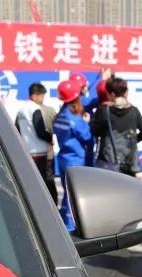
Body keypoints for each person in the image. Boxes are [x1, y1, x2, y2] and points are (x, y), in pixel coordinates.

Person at [53, 80, 93, 231]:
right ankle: (70, 228)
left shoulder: (60, 116)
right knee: (73, 196)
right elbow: (88, 137)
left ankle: (64, 222)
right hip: (75, 161)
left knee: (66, 194)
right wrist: (86, 122)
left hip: (63, 159)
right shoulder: (75, 120)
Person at [90, 78, 142, 176]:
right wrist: (131, 141)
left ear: (112, 94)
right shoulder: (133, 111)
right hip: (129, 163)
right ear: (125, 92)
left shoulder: (104, 110)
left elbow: (95, 131)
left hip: (108, 162)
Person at [15, 83, 57, 203]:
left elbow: (16, 128)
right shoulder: (35, 109)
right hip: (39, 152)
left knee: (31, 183)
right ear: (34, 96)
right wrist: (50, 138)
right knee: (43, 183)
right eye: (42, 96)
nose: (43, 99)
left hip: (27, 151)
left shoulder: (21, 109)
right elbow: (40, 131)